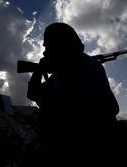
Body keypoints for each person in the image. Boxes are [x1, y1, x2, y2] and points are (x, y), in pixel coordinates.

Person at [26, 22, 120, 166]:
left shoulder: (74, 68)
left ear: (60, 44)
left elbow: (86, 116)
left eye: (48, 46)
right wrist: (40, 69)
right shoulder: (68, 69)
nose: (45, 51)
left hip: (77, 151)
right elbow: (33, 94)